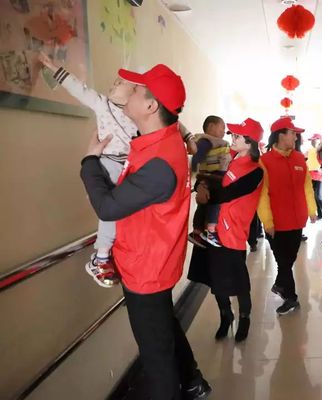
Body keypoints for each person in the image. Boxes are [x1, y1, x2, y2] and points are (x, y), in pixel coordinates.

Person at [80, 64, 210, 400]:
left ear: (151, 106)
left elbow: (108, 207)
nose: (128, 92)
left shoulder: (160, 161)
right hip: (153, 260)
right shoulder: (159, 142)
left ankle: (180, 386)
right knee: (163, 328)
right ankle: (193, 380)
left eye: (136, 90)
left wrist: (89, 162)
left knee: (156, 358)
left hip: (146, 268)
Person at [39, 52, 194, 288]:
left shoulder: (145, 125)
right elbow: (79, 89)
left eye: (127, 85)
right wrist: (53, 68)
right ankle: (102, 255)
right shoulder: (104, 105)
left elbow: (174, 119)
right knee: (110, 211)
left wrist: (189, 137)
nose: (114, 84)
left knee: (115, 210)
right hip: (110, 162)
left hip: (126, 164)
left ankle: (102, 256)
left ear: (148, 103)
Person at [195, 118, 264, 342]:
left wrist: (206, 194)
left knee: (239, 281)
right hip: (215, 231)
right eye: (232, 134)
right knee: (217, 281)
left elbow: (229, 193)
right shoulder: (230, 161)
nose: (231, 138)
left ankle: (244, 318)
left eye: (237, 136)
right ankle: (226, 315)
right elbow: (215, 180)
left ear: (250, 142)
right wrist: (201, 185)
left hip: (233, 234)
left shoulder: (255, 171)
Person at [258, 117, 317, 315]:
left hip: (297, 220)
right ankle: (291, 298)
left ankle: (280, 285)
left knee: (289, 259)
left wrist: (311, 209)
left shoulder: (299, 158)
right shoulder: (264, 161)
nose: (296, 137)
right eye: (293, 133)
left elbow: (307, 186)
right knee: (283, 261)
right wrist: (267, 221)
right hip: (276, 222)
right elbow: (262, 194)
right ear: (280, 135)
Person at [188, 116, 231, 247]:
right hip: (211, 177)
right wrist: (194, 171)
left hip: (212, 177)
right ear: (211, 127)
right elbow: (197, 156)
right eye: (222, 127)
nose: (224, 131)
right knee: (214, 202)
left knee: (203, 205)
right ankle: (211, 231)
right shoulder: (207, 141)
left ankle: (197, 231)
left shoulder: (215, 142)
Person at [306, 133, 322, 221]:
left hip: (319, 176)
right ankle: (320, 214)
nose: (312, 141)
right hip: (311, 175)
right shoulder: (310, 151)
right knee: (314, 196)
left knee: (319, 196)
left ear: (319, 140)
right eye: (311, 140)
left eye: (314, 140)